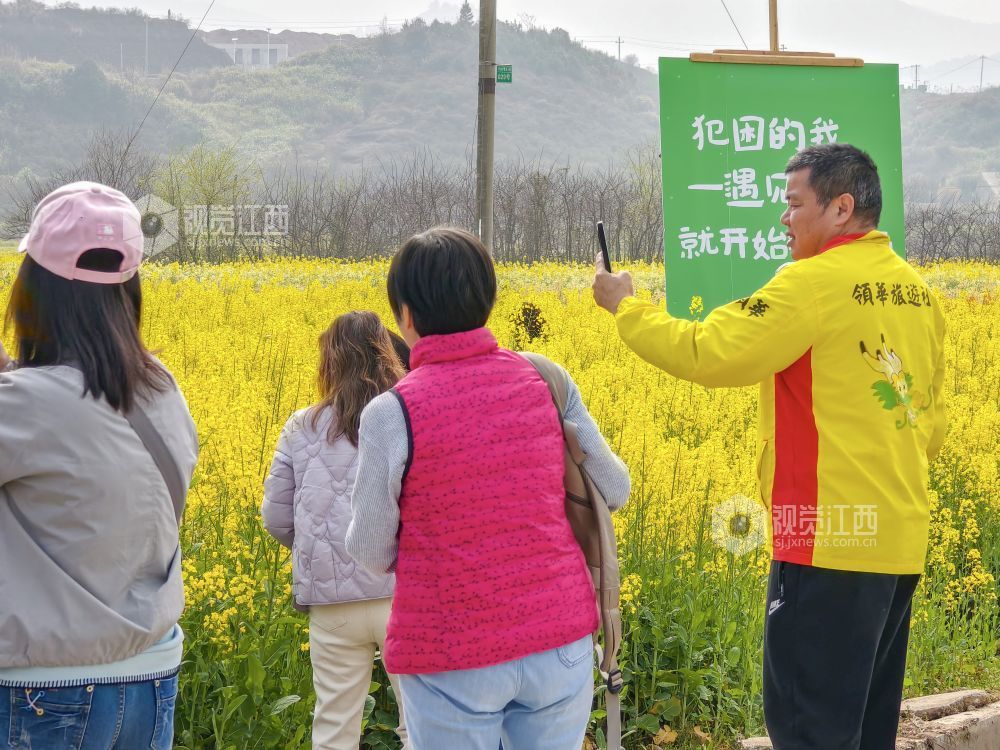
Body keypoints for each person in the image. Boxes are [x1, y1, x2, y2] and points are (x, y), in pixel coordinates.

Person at [592, 144, 946, 750]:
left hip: (827, 540)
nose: (783, 219)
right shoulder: (918, 293)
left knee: (808, 730)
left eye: (793, 204)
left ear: (841, 208)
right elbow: (930, 421)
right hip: (897, 538)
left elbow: (707, 350)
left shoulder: (810, 285)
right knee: (862, 732)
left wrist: (626, 306)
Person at [345, 227, 631, 750]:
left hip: (449, 651)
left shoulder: (391, 413)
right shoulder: (545, 379)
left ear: (405, 316)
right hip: (558, 642)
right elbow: (614, 488)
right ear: (489, 301)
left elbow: (368, 550)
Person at [0, 181, 199, 749]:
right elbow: (74, 422)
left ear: (33, 291)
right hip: (149, 677)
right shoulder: (164, 392)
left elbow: (50, 417)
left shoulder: (25, 406)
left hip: (44, 694)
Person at [262, 311, 409, 750]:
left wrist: (319, 547)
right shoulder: (407, 415)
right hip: (403, 595)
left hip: (332, 603)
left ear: (330, 362)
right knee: (420, 726)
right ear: (387, 355)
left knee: (334, 728)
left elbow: (276, 517)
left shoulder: (300, 425)